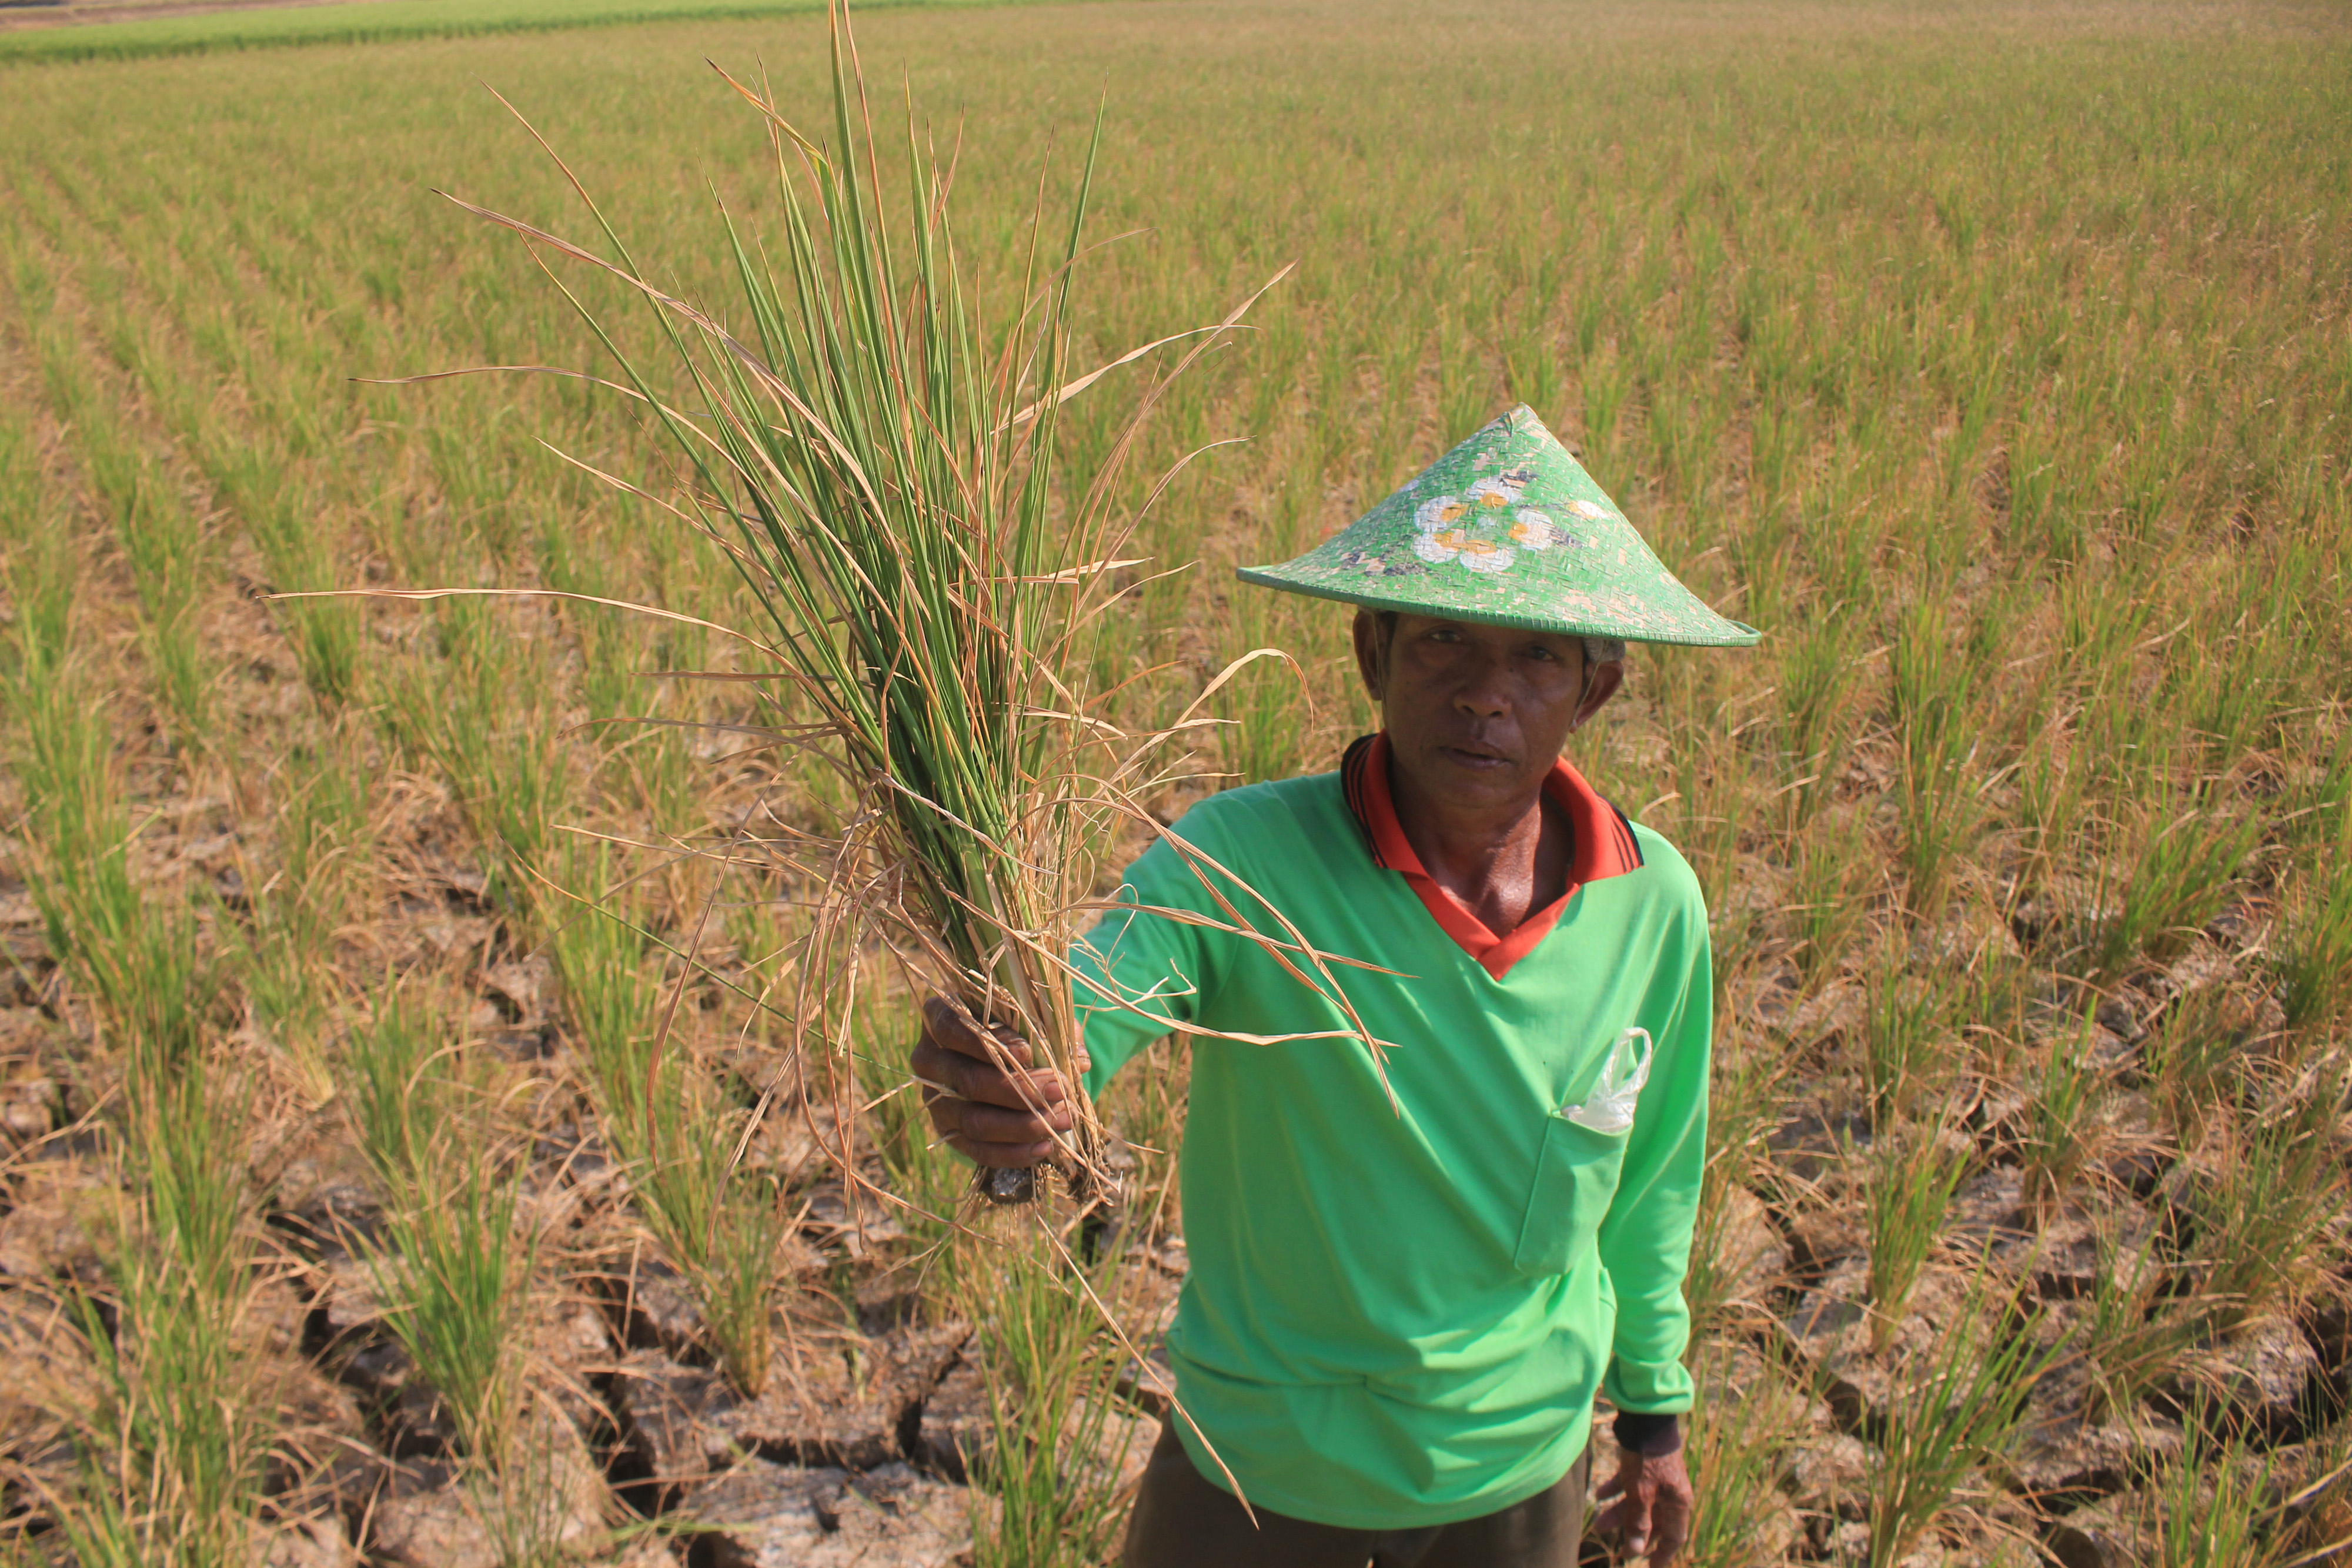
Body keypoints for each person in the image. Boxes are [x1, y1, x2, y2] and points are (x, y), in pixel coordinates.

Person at [913, 406, 1759, 1566]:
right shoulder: (1238, 863)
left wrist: (1653, 1414)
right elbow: (1084, 1013)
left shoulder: (1652, 903)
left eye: (1534, 655)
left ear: (1592, 690)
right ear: (1370, 652)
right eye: (1440, 643)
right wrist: (1013, 1071)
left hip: (1517, 1475)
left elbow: (1652, 1184)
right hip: (1258, 1470)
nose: (1482, 692)